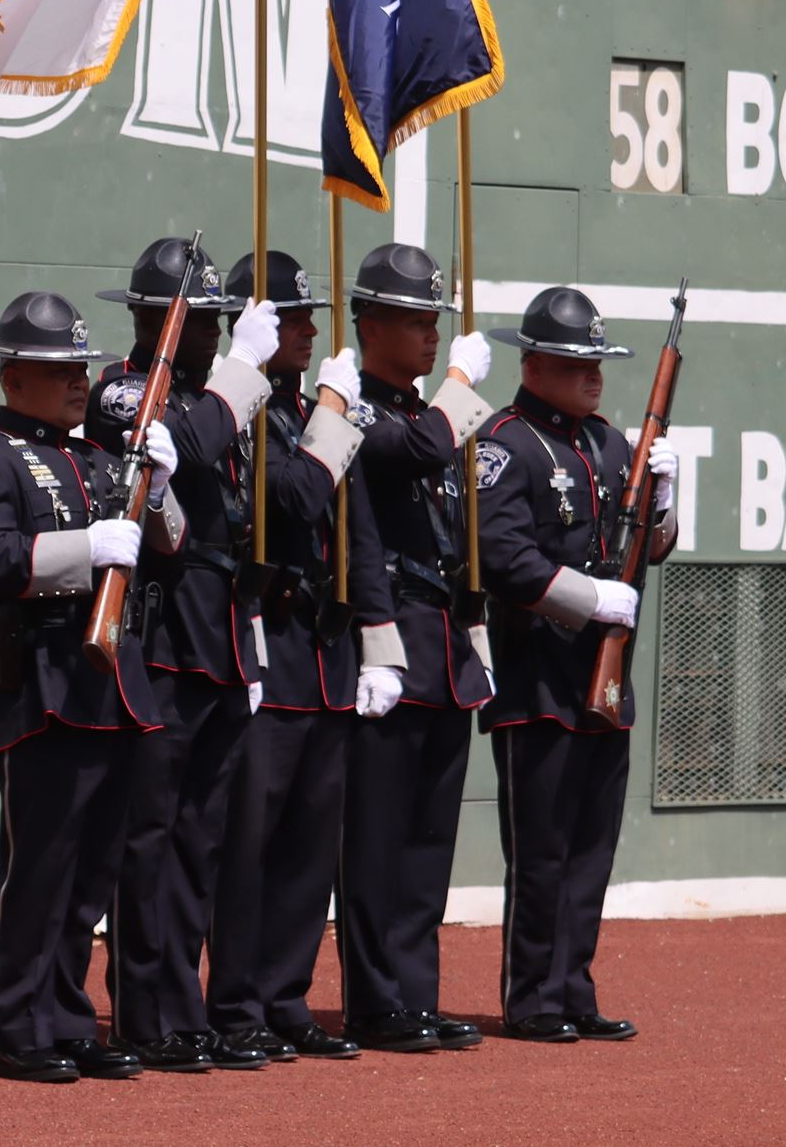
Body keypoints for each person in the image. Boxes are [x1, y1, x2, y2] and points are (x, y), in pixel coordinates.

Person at [0, 290, 189, 1084]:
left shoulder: (102, 460)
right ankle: (18, 1025)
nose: (78, 382)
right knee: (39, 863)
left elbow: (171, 545)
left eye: (79, 366)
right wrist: (82, 548)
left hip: (110, 679)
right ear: (13, 376)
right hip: (41, 676)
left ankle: (70, 1018)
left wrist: (163, 481)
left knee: (92, 872)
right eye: (56, 369)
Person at [83, 238, 284, 1072]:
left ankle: (184, 1003)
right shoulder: (126, 387)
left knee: (201, 835)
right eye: (197, 320)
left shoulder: (209, 392)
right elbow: (192, 446)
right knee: (150, 834)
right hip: (161, 636)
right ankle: (143, 1008)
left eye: (218, 323)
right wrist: (244, 370)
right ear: (153, 318)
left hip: (220, 633)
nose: (212, 333)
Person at [476, 285, 677, 1043]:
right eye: (576, 361)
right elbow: (504, 556)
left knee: (592, 846)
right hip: (539, 678)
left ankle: (574, 986)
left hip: (603, 680)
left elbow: (647, 548)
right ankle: (532, 996)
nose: (593, 375)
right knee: (542, 849)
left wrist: (664, 501)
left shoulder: (611, 444)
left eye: (598, 361)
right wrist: (589, 599)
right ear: (533, 364)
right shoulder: (507, 441)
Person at [334, 242, 497, 1055]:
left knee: (430, 837)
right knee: (376, 837)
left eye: (434, 319)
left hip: (441, 642)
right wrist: (462, 388)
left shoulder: (418, 407)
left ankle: (417, 994)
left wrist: (477, 635)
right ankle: (374, 998)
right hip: (389, 641)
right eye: (413, 318)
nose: (430, 334)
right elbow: (416, 452)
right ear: (370, 322)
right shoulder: (358, 406)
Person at [205, 250, 367, 1063]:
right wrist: (335, 410)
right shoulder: (249, 412)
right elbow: (297, 494)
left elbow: (355, 529)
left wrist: (383, 643)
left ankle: (286, 993)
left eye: (309, 317)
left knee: (310, 842)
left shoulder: (316, 406)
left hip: (327, 648)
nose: (306, 330)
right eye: (292, 318)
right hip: (268, 640)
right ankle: (235, 1002)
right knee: (250, 843)